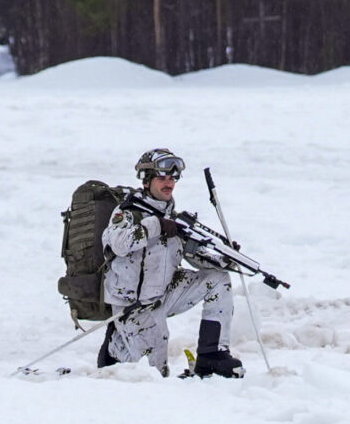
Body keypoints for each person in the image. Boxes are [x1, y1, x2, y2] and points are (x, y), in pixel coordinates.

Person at [97, 148, 243, 378]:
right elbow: (119, 244)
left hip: (165, 292)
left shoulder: (172, 216)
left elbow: (192, 255)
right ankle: (116, 350)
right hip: (134, 308)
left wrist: (223, 259)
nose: (169, 183)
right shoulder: (128, 213)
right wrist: (156, 225)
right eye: (162, 178)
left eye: (173, 179)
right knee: (155, 377)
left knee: (217, 279)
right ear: (147, 181)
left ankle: (212, 355)